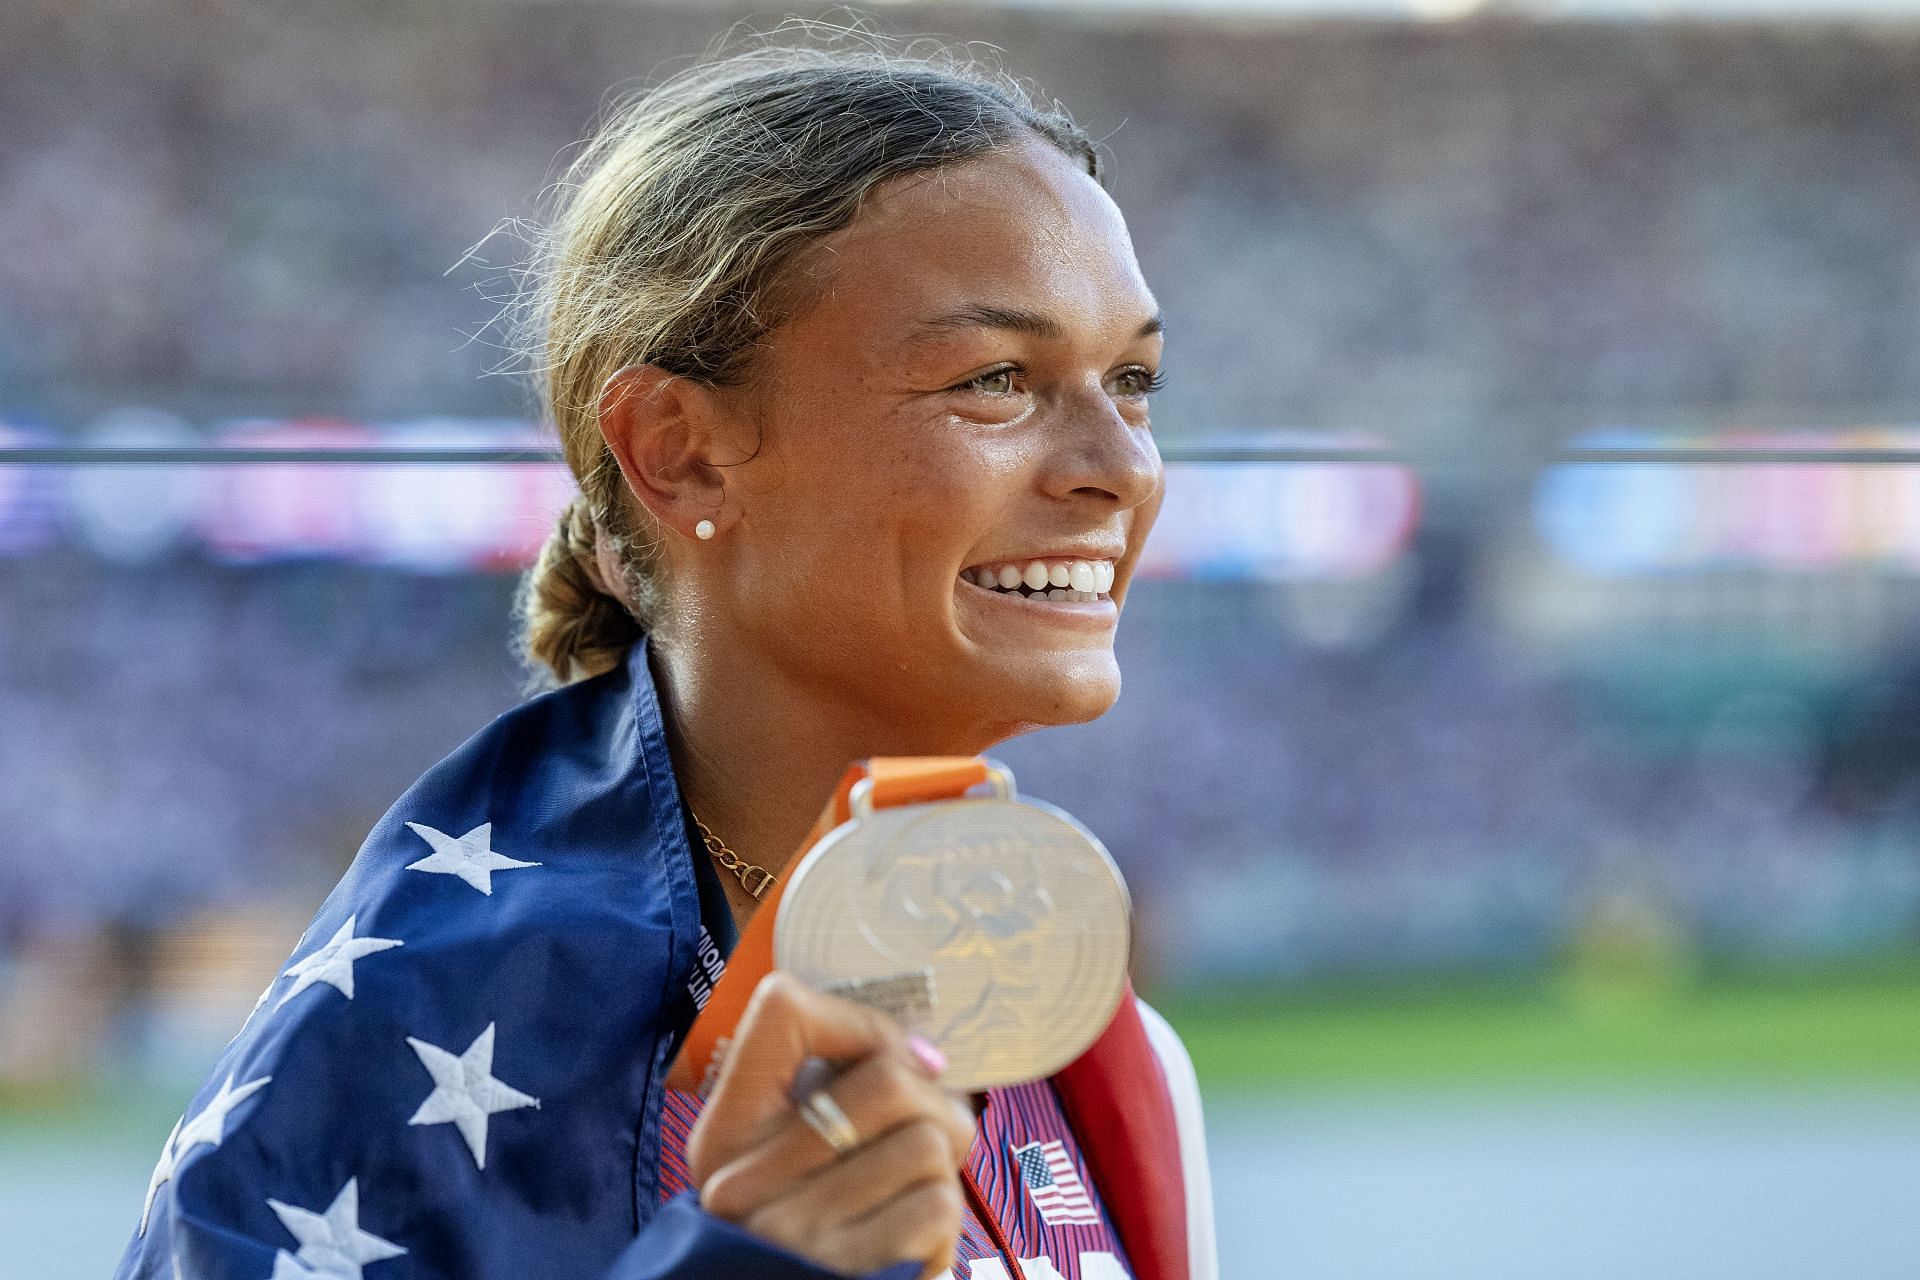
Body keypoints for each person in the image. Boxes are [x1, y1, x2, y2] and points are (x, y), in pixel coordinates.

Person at [118, 30, 1216, 1280]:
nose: (1122, 468)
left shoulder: (1102, 1050)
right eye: (995, 378)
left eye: (1134, 379)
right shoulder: (398, 1036)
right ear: (680, 449)